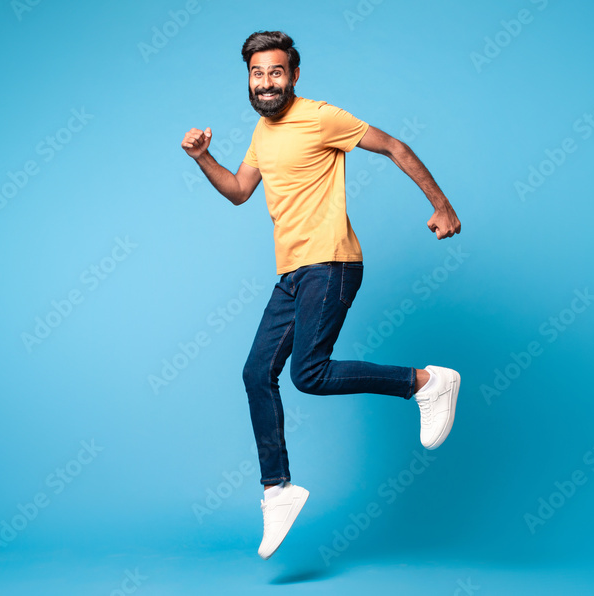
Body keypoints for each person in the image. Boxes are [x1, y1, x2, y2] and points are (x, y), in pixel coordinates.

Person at [180, 30, 462, 560]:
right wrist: (203, 158)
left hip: (330, 263)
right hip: (292, 273)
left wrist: (441, 205)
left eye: (276, 72)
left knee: (307, 374)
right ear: (249, 79)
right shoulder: (263, 133)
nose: (266, 82)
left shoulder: (320, 116)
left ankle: (426, 382)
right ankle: (277, 489)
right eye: (257, 73)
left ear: (295, 75)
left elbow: (394, 146)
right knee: (254, 373)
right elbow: (241, 191)